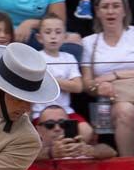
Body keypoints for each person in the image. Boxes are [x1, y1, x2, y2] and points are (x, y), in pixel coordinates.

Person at [81, 0, 134, 156]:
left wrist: (115, 75)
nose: (110, 11)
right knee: (126, 112)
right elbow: (86, 83)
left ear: (124, 10)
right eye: (105, 7)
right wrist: (97, 87)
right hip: (115, 98)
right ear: (97, 11)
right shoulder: (89, 42)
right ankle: (128, 164)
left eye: (116, 6)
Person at [34, 14, 94, 142]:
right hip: (40, 113)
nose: (53, 36)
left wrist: (51, 80)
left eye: (58, 32)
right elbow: (35, 83)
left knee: (86, 131)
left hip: (65, 112)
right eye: (48, 32)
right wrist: (66, 83)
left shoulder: (69, 58)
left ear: (65, 37)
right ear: (39, 37)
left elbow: (78, 87)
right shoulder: (35, 58)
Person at [36, 103, 117, 158]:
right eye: (50, 124)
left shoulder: (78, 146)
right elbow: (27, 155)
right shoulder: (31, 151)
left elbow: (111, 152)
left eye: (63, 123)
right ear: (39, 130)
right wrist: (51, 152)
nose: (57, 128)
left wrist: (91, 151)